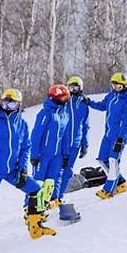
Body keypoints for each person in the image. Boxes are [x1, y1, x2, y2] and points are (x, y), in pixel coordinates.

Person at [0, 88, 56, 243]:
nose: (7, 107)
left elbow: (25, 148)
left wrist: (22, 169)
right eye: (5, 103)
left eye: (11, 104)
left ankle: (35, 225)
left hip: (12, 170)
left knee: (36, 190)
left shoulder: (22, 125)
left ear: (18, 105)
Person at [85, 72, 127, 199]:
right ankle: (120, 182)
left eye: (119, 87)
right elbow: (102, 106)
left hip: (118, 138)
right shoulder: (110, 96)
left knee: (113, 161)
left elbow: (126, 124)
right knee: (102, 160)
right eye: (114, 86)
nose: (116, 89)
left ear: (125, 86)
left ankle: (109, 190)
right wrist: (89, 102)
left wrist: (121, 139)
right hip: (107, 135)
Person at [50, 76, 90, 207]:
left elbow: (85, 126)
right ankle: (52, 196)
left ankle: (59, 197)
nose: (73, 90)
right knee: (57, 169)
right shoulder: (64, 102)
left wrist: (85, 144)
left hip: (75, 143)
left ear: (80, 88)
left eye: (75, 87)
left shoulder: (84, 105)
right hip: (62, 142)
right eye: (70, 87)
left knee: (67, 171)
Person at [30, 84, 70, 207]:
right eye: (63, 98)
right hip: (43, 154)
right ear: (55, 98)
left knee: (51, 181)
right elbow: (36, 135)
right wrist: (34, 154)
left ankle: (43, 204)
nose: (66, 101)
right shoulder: (45, 113)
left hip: (57, 154)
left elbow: (65, 137)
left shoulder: (64, 114)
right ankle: (30, 207)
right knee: (38, 181)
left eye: (67, 98)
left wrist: (65, 154)